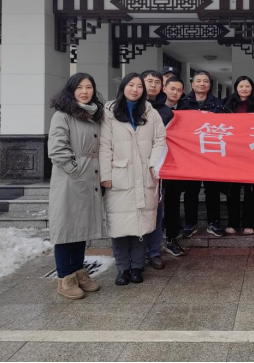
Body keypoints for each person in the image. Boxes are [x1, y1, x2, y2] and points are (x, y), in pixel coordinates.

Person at [99, 73, 167, 286]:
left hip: (146, 175)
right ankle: (122, 268)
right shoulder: (109, 112)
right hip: (119, 176)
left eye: (139, 86)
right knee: (119, 225)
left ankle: (137, 267)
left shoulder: (150, 112)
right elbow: (104, 145)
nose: (135, 89)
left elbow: (160, 139)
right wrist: (105, 175)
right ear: (123, 87)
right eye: (131, 85)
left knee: (142, 224)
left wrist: (154, 164)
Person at [47, 73, 105, 300]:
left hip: (90, 178)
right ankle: (65, 278)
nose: (84, 91)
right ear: (71, 90)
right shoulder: (62, 115)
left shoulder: (94, 115)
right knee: (65, 229)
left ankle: (79, 272)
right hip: (70, 180)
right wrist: (76, 170)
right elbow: (57, 149)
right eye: (79, 87)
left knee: (81, 228)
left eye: (89, 87)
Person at [183, 71, 227, 238]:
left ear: (210, 85)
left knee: (213, 190)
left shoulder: (219, 105)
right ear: (192, 84)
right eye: (198, 81)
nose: (202, 84)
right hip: (189, 155)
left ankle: (214, 223)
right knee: (190, 191)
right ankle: (190, 223)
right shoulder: (183, 103)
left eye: (205, 81)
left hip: (211, 154)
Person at [221, 76, 254, 235]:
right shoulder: (226, 105)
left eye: (247, 86)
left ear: (252, 88)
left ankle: (249, 223)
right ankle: (232, 222)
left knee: (250, 191)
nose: (244, 89)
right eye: (241, 86)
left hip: (251, 154)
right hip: (231, 153)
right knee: (232, 191)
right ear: (236, 87)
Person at [157, 76, 192, 258]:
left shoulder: (187, 110)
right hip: (157, 162)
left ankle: (172, 238)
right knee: (154, 204)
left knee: (173, 202)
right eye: (172, 89)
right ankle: (151, 245)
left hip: (177, 164)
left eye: (179, 90)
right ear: (164, 88)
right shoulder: (153, 108)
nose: (175, 92)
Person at [143, 70, 172, 271]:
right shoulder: (124, 108)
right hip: (131, 167)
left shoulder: (167, 112)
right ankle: (135, 254)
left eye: (157, 82)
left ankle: (154, 252)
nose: (153, 85)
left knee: (156, 212)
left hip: (158, 170)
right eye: (149, 81)